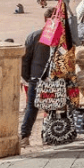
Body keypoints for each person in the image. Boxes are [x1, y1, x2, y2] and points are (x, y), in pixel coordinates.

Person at [19, 9, 55, 146]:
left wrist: (28, 77)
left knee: (32, 108)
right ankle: (47, 135)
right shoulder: (59, 37)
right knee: (51, 107)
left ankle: (25, 136)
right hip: (49, 78)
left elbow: (25, 60)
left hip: (36, 77)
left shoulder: (34, 36)